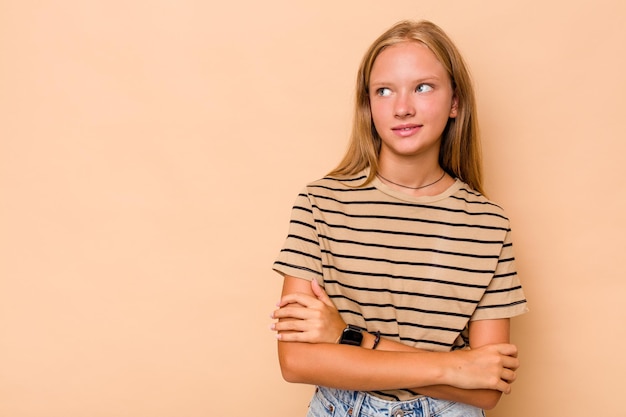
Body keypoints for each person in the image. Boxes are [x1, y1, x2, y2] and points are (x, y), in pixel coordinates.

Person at [270, 19, 528, 417]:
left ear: (455, 102)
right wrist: (455, 366)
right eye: (384, 90)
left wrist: (346, 336)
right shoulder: (319, 204)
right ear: (369, 105)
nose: (402, 107)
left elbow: (487, 387)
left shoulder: (488, 225)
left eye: (423, 87)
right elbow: (297, 362)